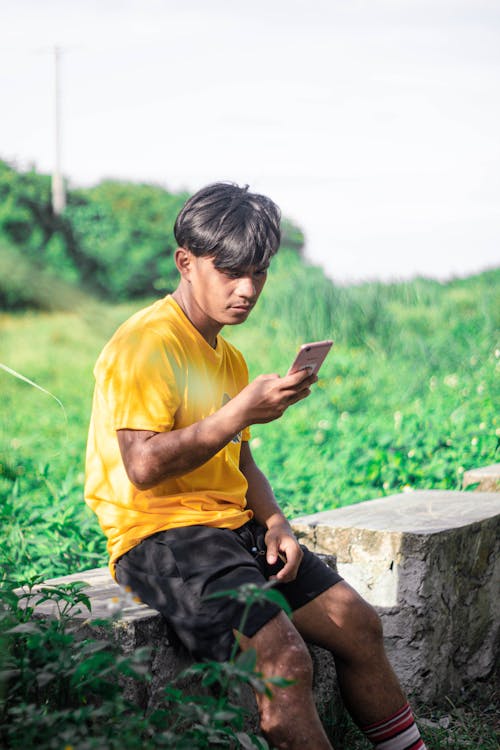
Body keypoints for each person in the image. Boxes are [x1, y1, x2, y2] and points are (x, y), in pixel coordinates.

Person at [85, 182, 427, 750]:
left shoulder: (228, 353)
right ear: (186, 263)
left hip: (232, 530)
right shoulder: (146, 344)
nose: (247, 290)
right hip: (163, 537)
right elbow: (142, 465)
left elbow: (238, 458)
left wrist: (275, 522)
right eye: (231, 272)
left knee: (359, 626)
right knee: (286, 661)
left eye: (260, 273)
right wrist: (239, 411)